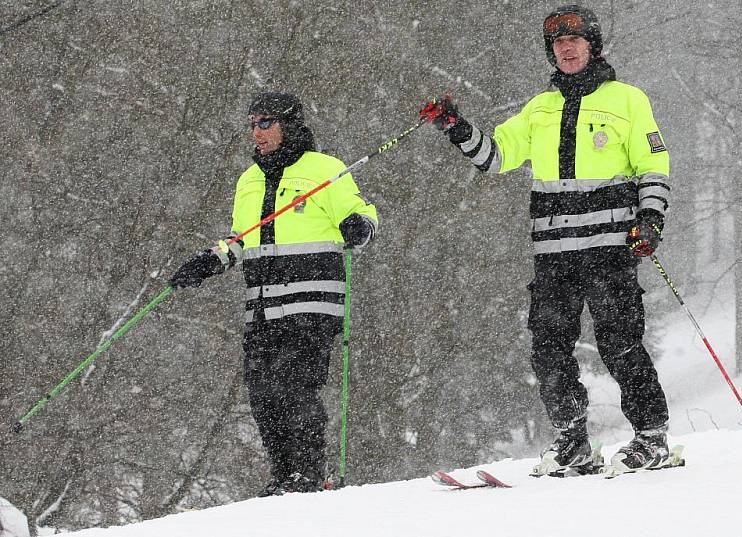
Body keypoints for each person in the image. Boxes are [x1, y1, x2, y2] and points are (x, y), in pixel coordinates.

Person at [420, 4, 671, 475]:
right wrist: (456, 127)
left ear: (592, 45)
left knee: (620, 343)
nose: (567, 48)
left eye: (575, 40)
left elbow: (653, 162)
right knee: (548, 347)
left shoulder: (627, 100)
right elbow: (495, 157)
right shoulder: (539, 109)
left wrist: (651, 217)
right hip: (555, 255)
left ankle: (651, 436)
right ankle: (572, 440)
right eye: (558, 43)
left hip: (608, 249)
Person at [169, 91, 378, 495]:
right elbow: (240, 239)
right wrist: (209, 261)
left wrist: (359, 227)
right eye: (251, 124)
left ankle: (306, 473)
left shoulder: (324, 169)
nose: (256, 132)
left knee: (293, 385)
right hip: (262, 306)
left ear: (290, 124)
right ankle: (283, 476)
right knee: (262, 392)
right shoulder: (249, 180)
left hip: (311, 300)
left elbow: (363, 213)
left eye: (265, 123)